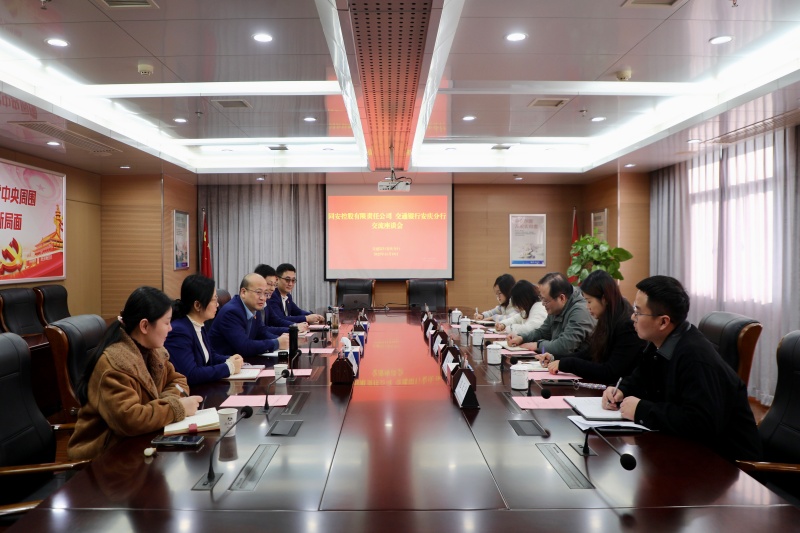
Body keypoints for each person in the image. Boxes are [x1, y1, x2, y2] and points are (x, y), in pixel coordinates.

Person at [601, 275, 761, 461]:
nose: (632, 317)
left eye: (638, 312)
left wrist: (641, 410)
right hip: (686, 449)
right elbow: (639, 378)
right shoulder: (659, 343)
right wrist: (620, 391)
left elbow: (700, 422)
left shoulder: (695, 357)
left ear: (663, 322)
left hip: (727, 463)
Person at [68, 287, 202, 460]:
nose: (170, 329)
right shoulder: (114, 365)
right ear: (144, 326)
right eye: (167, 323)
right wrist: (177, 407)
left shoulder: (155, 351)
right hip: (103, 458)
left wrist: (164, 402)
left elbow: (178, 380)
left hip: (139, 443)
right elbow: (130, 420)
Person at [540, 270, 644, 384]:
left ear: (604, 299)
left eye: (589, 301)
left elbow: (610, 372)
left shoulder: (626, 326)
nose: (587, 307)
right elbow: (590, 353)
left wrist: (567, 364)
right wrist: (556, 358)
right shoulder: (608, 318)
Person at [164, 274, 244, 385]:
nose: (217, 304)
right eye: (214, 300)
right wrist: (229, 367)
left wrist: (230, 360)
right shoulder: (179, 331)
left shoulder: (199, 324)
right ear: (197, 305)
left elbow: (210, 356)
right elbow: (190, 375)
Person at [507, 272, 595, 357]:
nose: (542, 304)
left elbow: (565, 347)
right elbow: (543, 332)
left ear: (562, 298)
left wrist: (538, 345)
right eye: (541, 298)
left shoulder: (580, 311)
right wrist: (522, 338)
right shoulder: (556, 308)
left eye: (546, 300)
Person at [209, 273, 290, 357]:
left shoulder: (254, 308)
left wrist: (283, 340)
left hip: (244, 360)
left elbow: (262, 332)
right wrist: (276, 343)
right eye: (258, 292)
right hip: (224, 361)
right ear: (243, 292)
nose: (263, 298)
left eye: (265, 293)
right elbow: (244, 346)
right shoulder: (231, 312)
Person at [254, 263, 306, 333]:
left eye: (274, 285)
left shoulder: (267, 300)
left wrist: (295, 327)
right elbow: (262, 330)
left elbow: (275, 320)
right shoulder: (271, 297)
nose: (272, 289)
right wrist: (293, 328)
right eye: (269, 284)